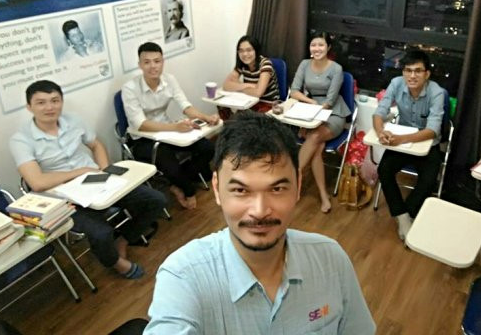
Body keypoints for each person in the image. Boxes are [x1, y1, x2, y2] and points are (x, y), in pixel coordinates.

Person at [144, 112, 375, 334]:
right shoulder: (183, 277)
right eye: (240, 190)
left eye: (277, 189)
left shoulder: (331, 260)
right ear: (216, 188)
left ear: (297, 186)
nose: (260, 211)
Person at [9, 80, 166, 279]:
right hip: (62, 198)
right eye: (41, 102)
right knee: (101, 233)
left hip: (95, 181)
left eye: (55, 101)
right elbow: (37, 183)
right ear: (29, 107)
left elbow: (96, 145)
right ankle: (115, 262)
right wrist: (78, 172)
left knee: (156, 200)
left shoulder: (74, 121)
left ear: (61, 102)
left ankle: (124, 240)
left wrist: (104, 170)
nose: (49, 107)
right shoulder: (20, 140)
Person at [121, 42, 219, 210]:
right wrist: (175, 128)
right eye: (147, 62)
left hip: (167, 132)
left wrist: (206, 117)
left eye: (157, 61)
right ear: (140, 65)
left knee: (208, 148)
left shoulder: (169, 80)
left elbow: (185, 106)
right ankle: (187, 190)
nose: (153, 66)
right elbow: (141, 124)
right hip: (142, 139)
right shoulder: (129, 88)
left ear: (163, 62)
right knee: (169, 163)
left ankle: (178, 182)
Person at [372, 49, 444, 241]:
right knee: (384, 170)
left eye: (418, 71)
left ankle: (409, 212)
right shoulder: (396, 83)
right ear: (403, 72)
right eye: (408, 70)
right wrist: (381, 132)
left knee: (429, 180)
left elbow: (433, 130)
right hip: (402, 143)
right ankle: (403, 217)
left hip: (427, 144)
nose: (412, 75)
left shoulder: (436, 92)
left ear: (427, 74)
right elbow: (379, 113)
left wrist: (401, 139)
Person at [290, 32, 350, 213]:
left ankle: (294, 176)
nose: (317, 48)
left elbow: (330, 101)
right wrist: (310, 102)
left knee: (315, 136)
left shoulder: (336, 69)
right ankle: (324, 195)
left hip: (333, 113)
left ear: (328, 47)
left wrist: (313, 115)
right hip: (311, 109)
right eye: (313, 45)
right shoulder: (304, 64)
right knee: (317, 146)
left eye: (321, 45)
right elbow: (294, 91)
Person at [222, 35, 280, 113]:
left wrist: (239, 87)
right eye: (241, 51)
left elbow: (258, 93)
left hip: (267, 104)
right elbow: (226, 85)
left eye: (249, 50)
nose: (245, 54)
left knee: (240, 118)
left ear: (256, 50)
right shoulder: (242, 64)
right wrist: (249, 85)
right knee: (223, 107)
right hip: (249, 101)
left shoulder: (265, 64)